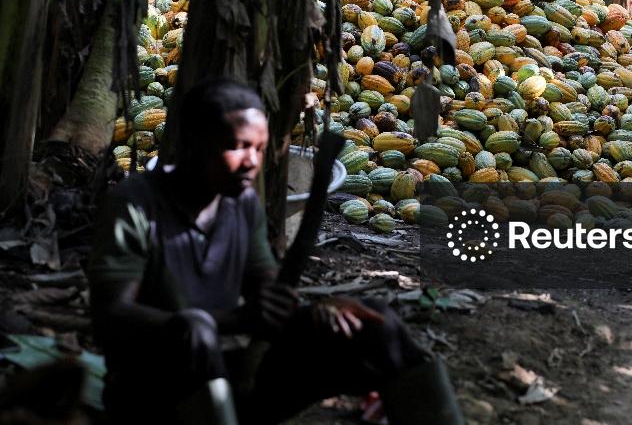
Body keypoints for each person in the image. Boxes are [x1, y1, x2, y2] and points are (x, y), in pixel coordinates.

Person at [88, 78, 463, 425]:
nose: (252, 162)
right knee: (195, 329)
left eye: (259, 149)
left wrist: (314, 311)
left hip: (234, 375)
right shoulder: (135, 204)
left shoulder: (241, 203)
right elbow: (113, 316)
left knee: (375, 322)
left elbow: (267, 299)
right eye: (237, 147)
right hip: (154, 392)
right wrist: (228, 321)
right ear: (192, 143)